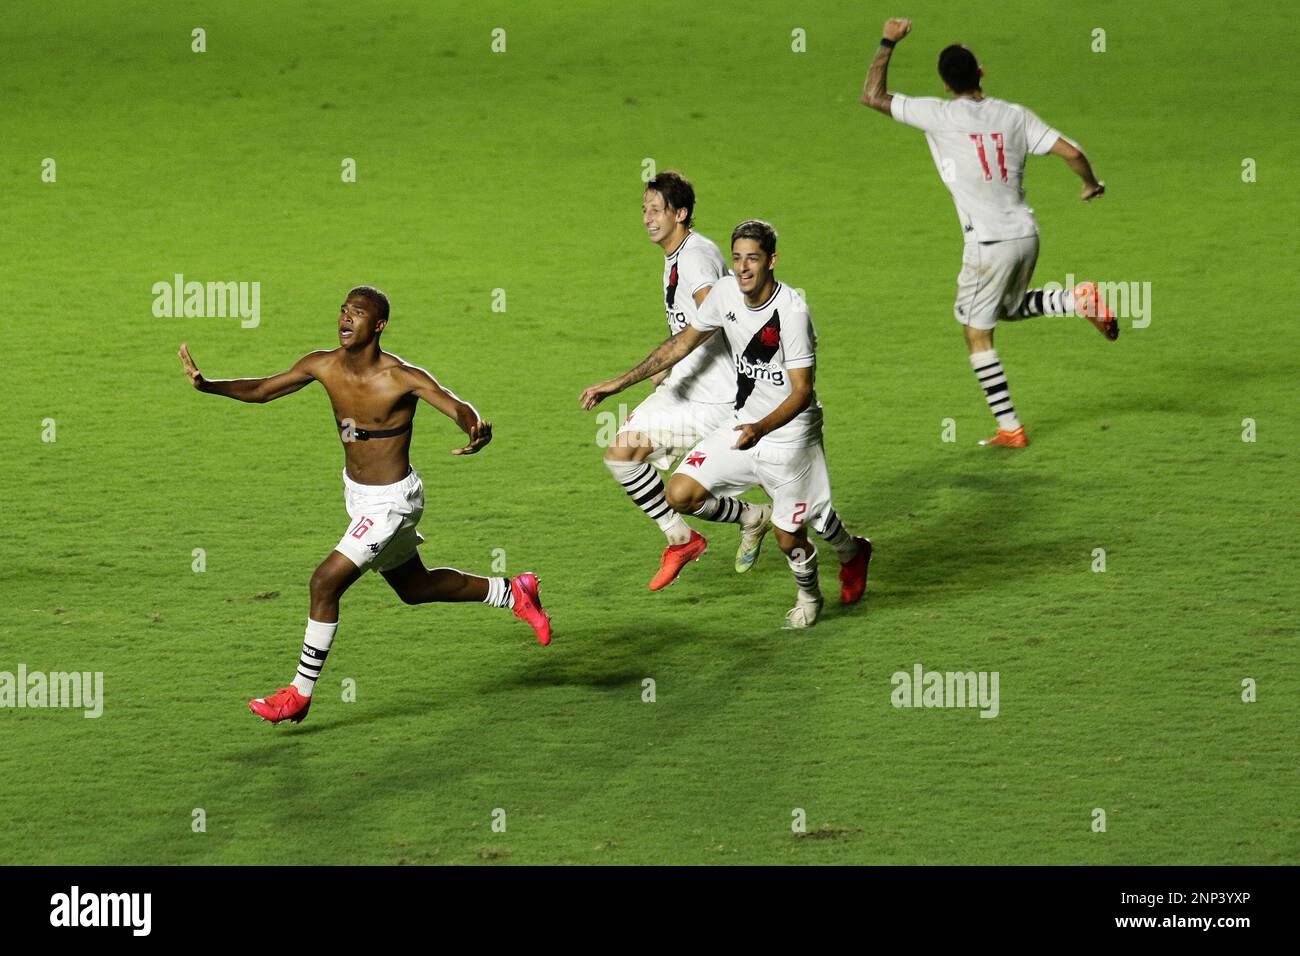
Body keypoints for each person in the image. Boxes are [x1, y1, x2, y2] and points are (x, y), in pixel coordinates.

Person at [178, 285, 551, 725]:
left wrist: (475, 428)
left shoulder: (400, 377)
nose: (346, 319)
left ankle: (298, 694)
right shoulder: (323, 364)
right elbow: (263, 389)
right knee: (415, 589)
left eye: (357, 313)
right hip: (359, 498)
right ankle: (513, 592)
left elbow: (455, 405)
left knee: (324, 583)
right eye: (343, 310)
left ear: (379, 325)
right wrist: (207, 386)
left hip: (393, 502)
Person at [581, 221, 871, 628]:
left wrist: (762, 428)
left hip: (790, 434)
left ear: (772, 260)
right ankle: (755, 519)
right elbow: (681, 343)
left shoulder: (792, 313)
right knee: (679, 493)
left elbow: (802, 392)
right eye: (736, 258)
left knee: (797, 533)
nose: (743, 267)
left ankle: (843, 563)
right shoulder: (724, 294)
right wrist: (618, 382)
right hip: (743, 426)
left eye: (752, 258)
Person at [861, 18, 1117, 448]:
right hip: (1026, 234)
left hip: (988, 245)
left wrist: (888, 41)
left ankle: (1009, 427)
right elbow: (1072, 152)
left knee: (977, 332)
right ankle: (1077, 299)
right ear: (981, 73)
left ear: (945, 84)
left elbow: (872, 95)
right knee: (1009, 308)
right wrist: (1090, 184)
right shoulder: (1015, 115)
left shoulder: (937, 113)